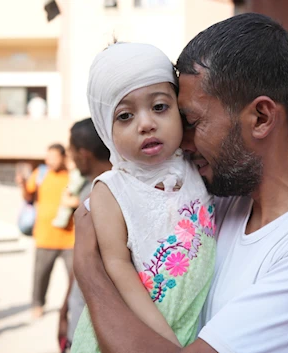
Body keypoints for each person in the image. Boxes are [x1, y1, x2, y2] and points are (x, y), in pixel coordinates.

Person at [72, 13, 288, 353]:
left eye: (191, 122)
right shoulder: (216, 202)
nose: (181, 142)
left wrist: (91, 272)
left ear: (260, 118)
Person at [70, 42, 217, 352]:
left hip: (193, 327)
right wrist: (167, 342)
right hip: (138, 334)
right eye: (125, 116)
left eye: (160, 107)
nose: (146, 123)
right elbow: (118, 269)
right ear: (105, 129)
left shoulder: (196, 168)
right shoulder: (110, 190)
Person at [57, 118, 111, 352]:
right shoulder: (91, 190)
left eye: (71, 152)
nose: (71, 158)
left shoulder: (102, 195)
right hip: (81, 314)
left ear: (84, 154)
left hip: (93, 327)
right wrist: (64, 307)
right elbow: (80, 258)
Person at [16, 143, 74, 319]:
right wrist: (22, 185)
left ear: (63, 157)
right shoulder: (40, 174)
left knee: (75, 277)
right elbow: (29, 197)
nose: (49, 161)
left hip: (70, 237)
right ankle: (37, 304)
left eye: (54, 157)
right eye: (48, 157)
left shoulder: (72, 176)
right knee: (40, 275)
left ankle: (72, 306)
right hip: (44, 235)